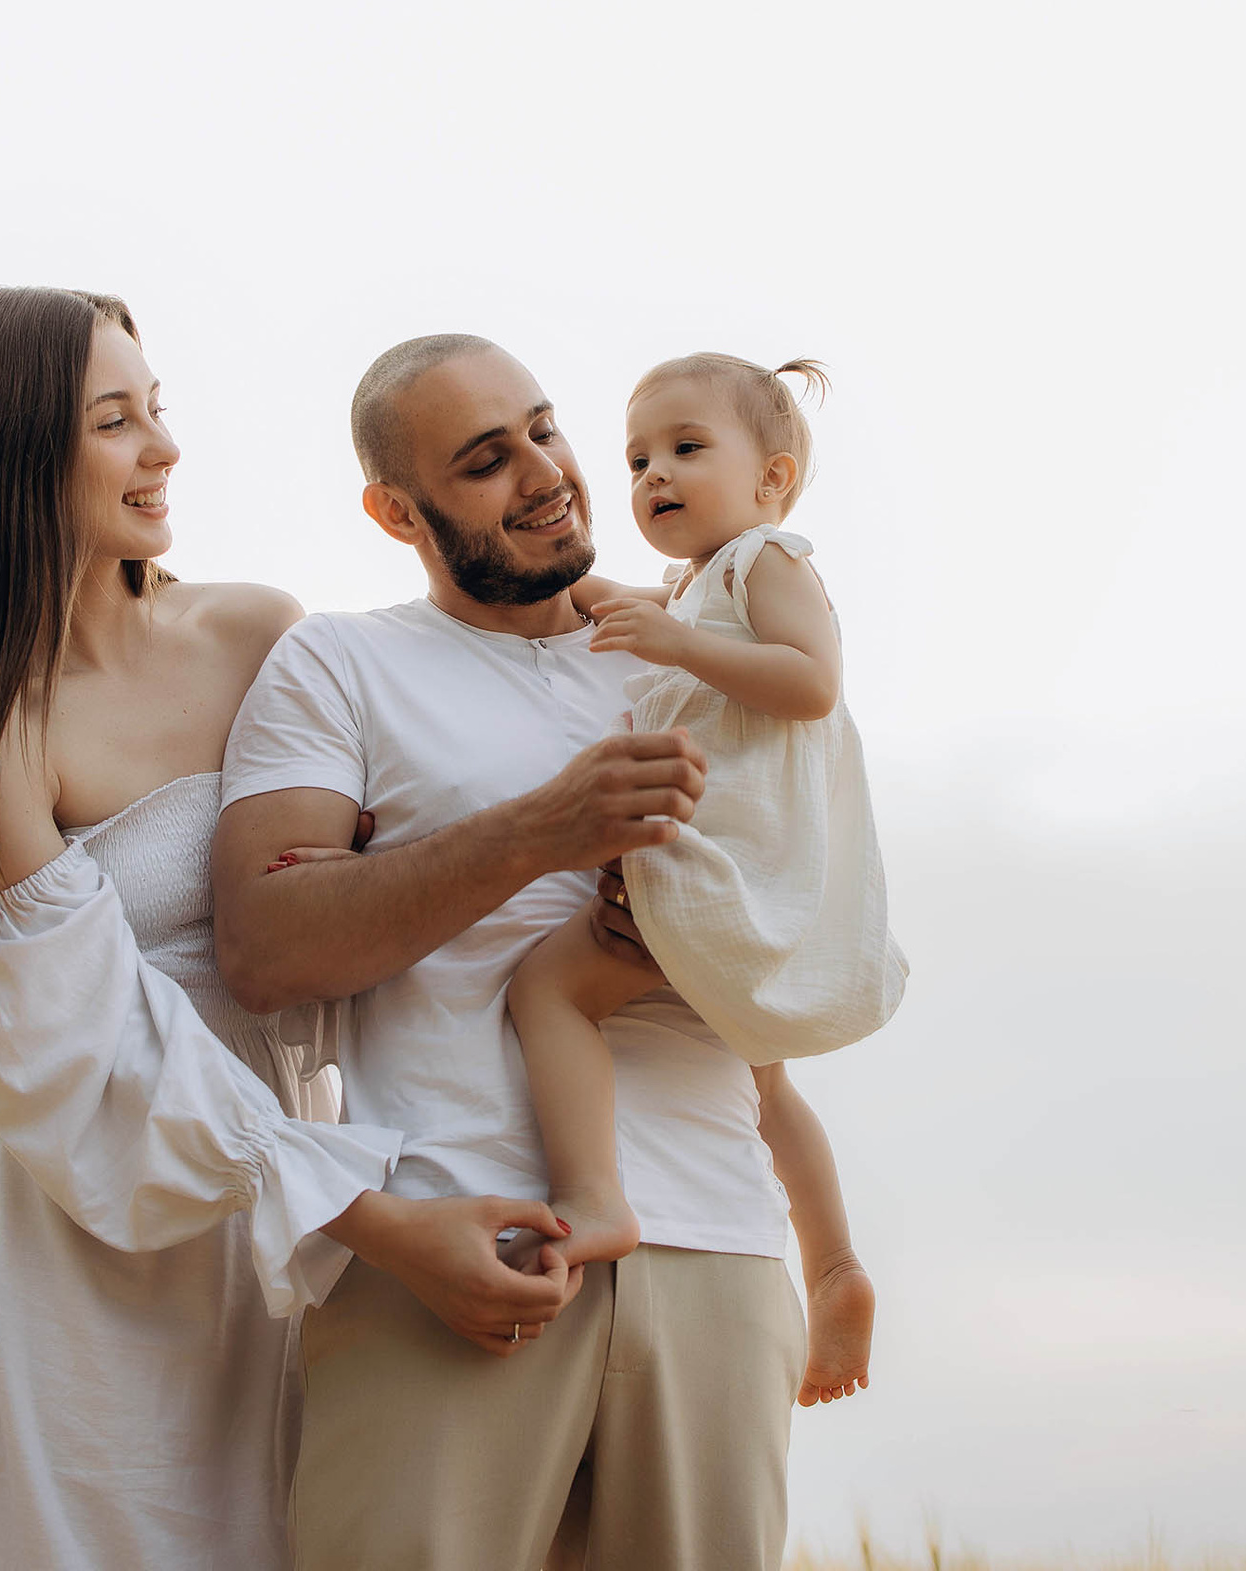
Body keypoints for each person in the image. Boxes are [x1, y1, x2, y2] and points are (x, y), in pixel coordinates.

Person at [0, 288, 576, 1571]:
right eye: (113, 422)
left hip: (288, 1196)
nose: (163, 449)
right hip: (75, 1218)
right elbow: (75, 1036)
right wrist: (372, 1220)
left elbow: (367, 889)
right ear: (12, 456)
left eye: (156, 409)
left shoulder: (252, 634)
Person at [210, 333, 862, 1571]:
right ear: (395, 510)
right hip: (463, 1249)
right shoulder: (339, 663)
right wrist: (542, 831)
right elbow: (264, 944)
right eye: (485, 460)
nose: (548, 473)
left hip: (719, 1250)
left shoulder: (689, 643)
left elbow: (801, 872)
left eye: (546, 428)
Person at [506, 351, 908, 1405]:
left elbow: (812, 682)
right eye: (637, 458)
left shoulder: (767, 561)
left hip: (717, 860)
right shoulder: (693, 584)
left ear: (772, 479)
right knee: (763, 1081)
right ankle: (831, 1264)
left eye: (686, 449)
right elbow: (603, 597)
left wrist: (678, 644)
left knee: (551, 990)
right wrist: (562, 574)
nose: (651, 476)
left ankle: (595, 1197)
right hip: (727, 866)